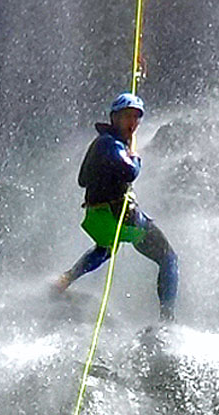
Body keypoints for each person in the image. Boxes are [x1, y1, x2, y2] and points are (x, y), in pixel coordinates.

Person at [50, 93, 179, 322]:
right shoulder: (111, 144)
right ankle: (167, 320)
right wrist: (135, 157)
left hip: (97, 217)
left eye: (136, 118)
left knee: (105, 249)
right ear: (114, 118)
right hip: (120, 216)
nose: (132, 123)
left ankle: (66, 279)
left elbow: (82, 180)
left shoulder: (98, 144)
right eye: (127, 117)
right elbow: (131, 171)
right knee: (169, 258)